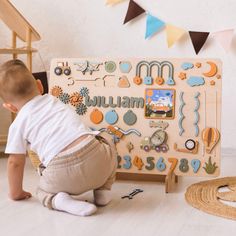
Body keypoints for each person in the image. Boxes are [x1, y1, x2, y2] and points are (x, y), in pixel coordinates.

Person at [0, 59, 117, 216]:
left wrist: (16, 192)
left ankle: (59, 200)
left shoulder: (18, 124)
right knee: (107, 139)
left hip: (63, 174)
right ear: (40, 86)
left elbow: (15, 162)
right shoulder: (54, 100)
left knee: (41, 190)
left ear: (11, 107)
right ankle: (103, 190)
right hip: (98, 162)